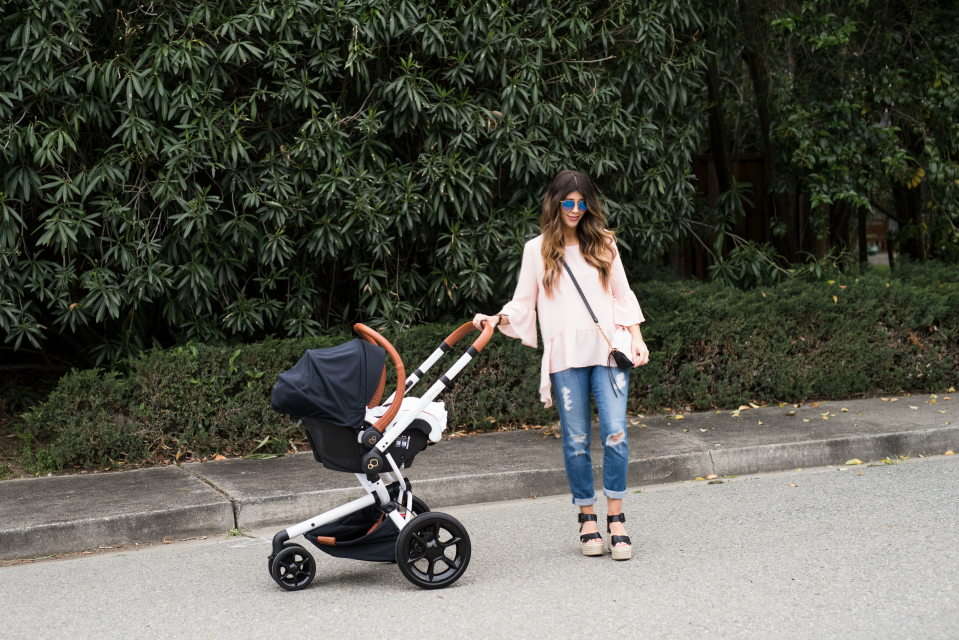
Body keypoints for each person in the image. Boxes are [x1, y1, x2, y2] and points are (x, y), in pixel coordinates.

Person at [473, 169, 649, 561]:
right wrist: (495, 319)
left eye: (581, 202)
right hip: (565, 357)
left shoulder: (604, 244)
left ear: (589, 204)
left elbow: (623, 294)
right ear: (554, 203)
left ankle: (616, 519)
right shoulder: (536, 250)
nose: (574, 209)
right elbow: (522, 305)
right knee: (576, 441)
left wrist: (636, 337)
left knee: (617, 434)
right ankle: (587, 518)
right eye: (567, 202)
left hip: (607, 351)